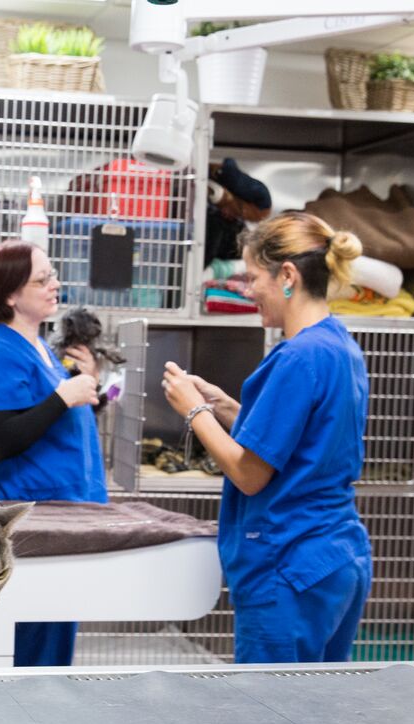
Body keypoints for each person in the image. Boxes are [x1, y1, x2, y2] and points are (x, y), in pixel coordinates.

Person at [161, 211, 372, 663]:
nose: (248, 289)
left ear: (289, 275)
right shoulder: (339, 346)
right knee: (320, 710)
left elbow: (249, 473)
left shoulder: (296, 357)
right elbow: (307, 443)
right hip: (338, 557)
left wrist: (194, 412)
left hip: (289, 564)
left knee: (270, 719)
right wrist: (229, 408)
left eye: (253, 277)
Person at [0, 239, 105, 667]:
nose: (54, 284)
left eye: (52, 275)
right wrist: (63, 396)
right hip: (26, 517)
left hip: (65, 509)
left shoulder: (38, 347)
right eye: (42, 279)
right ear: (9, 295)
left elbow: (50, 421)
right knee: (31, 639)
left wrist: (84, 388)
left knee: (55, 629)